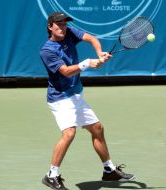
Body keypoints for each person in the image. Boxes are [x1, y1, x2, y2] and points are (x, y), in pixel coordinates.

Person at [40, 12, 134, 190]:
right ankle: (51, 175)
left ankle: (109, 170)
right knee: (69, 133)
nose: (62, 27)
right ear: (50, 26)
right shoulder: (47, 51)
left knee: (97, 128)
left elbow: (90, 38)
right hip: (60, 98)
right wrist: (87, 63)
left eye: (64, 24)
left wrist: (99, 52)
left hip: (75, 94)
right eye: (58, 25)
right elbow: (66, 71)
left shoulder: (69, 32)